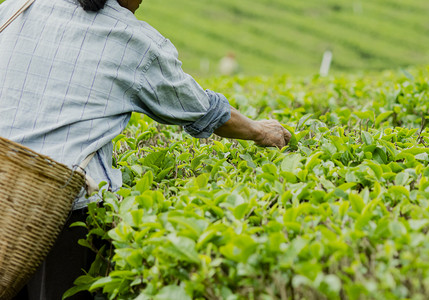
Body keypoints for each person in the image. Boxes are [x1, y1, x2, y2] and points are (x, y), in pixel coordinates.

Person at [0, 0, 291, 298]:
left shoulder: (19, 6)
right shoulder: (132, 40)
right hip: (62, 211)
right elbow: (200, 109)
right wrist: (258, 130)